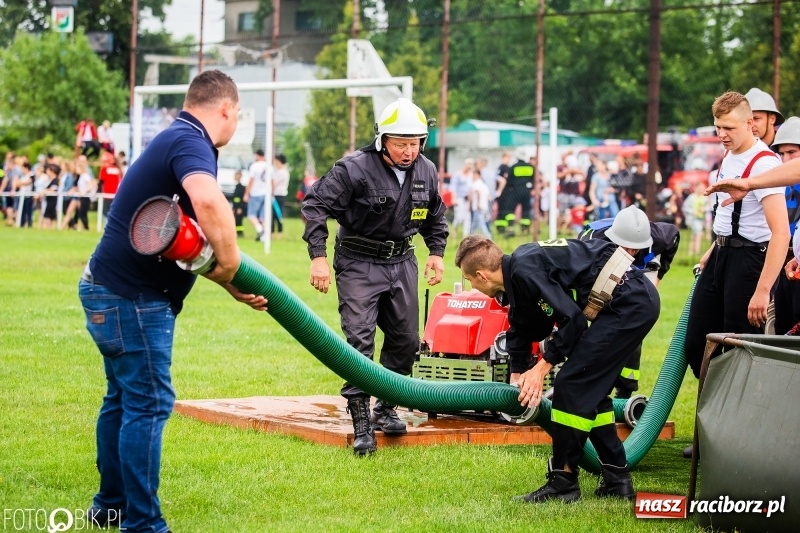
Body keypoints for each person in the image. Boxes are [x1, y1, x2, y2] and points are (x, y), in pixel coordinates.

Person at [78, 70, 267, 533]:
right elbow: (208, 203)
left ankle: (110, 507)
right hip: (133, 298)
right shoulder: (191, 142)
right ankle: (142, 524)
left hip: (106, 287)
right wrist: (232, 259)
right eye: (237, 115)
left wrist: (228, 282)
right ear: (226, 109)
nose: (235, 123)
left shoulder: (176, 137)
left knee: (122, 399)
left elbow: (183, 241)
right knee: (148, 404)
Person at [454, 212, 659, 503]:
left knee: (570, 386)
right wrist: (517, 374)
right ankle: (617, 479)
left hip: (630, 304)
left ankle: (563, 482)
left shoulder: (525, 271)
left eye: (469, 280)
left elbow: (573, 320)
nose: (472, 287)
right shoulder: (518, 272)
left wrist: (541, 368)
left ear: (482, 275)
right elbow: (522, 325)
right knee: (591, 391)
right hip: (625, 303)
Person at [302, 97, 448, 455]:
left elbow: (435, 216)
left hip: (402, 262)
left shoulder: (427, 171)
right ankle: (360, 418)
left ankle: (386, 407)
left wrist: (437, 253)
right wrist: (318, 258)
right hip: (358, 263)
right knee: (359, 341)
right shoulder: (353, 168)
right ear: (383, 140)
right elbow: (315, 205)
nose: (407, 151)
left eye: (413, 143)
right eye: (400, 143)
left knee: (406, 341)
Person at [683, 92, 788, 459]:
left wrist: (762, 291)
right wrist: (713, 247)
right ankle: (714, 428)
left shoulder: (764, 164)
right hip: (722, 255)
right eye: (717, 128)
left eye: (728, 128)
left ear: (750, 123)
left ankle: (733, 441)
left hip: (749, 264)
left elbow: (781, 233)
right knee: (696, 343)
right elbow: (726, 214)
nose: (722, 135)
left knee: (737, 352)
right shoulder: (729, 156)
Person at [578, 206, 680, 398]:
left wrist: (658, 276)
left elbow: (673, 237)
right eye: (626, 247)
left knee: (634, 323)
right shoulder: (591, 244)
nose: (631, 252)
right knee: (596, 330)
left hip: (632, 274)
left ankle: (626, 390)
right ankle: (593, 383)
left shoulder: (659, 237)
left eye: (636, 248)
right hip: (598, 275)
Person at [495, 149, 534, 236]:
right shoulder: (531, 167)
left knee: (510, 210)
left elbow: (509, 181)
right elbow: (534, 180)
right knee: (526, 211)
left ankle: (510, 229)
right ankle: (525, 230)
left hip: (515, 192)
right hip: (527, 192)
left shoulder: (513, 167)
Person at [244, 148, 269, 241]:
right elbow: (272, 181)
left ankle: (260, 230)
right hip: (266, 193)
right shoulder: (268, 166)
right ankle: (264, 236)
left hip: (256, 193)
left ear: (257, 155)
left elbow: (251, 180)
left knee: (251, 215)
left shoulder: (254, 166)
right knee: (263, 216)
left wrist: (246, 193)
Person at [271, 153, 289, 238]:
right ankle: (273, 232)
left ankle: (279, 232)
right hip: (277, 195)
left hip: (278, 195)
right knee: (273, 214)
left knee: (278, 214)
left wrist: (271, 191)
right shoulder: (281, 171)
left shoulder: (281, 172)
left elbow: (273, 183)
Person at [232, 170, 246, 237]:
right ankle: (237, 233)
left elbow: (240, 199)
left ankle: (240, 233)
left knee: (239, 221)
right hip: (236, 207)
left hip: (239, 207)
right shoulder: (237, 186)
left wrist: (239, 207)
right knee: (236, 220)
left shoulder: (241, 187)